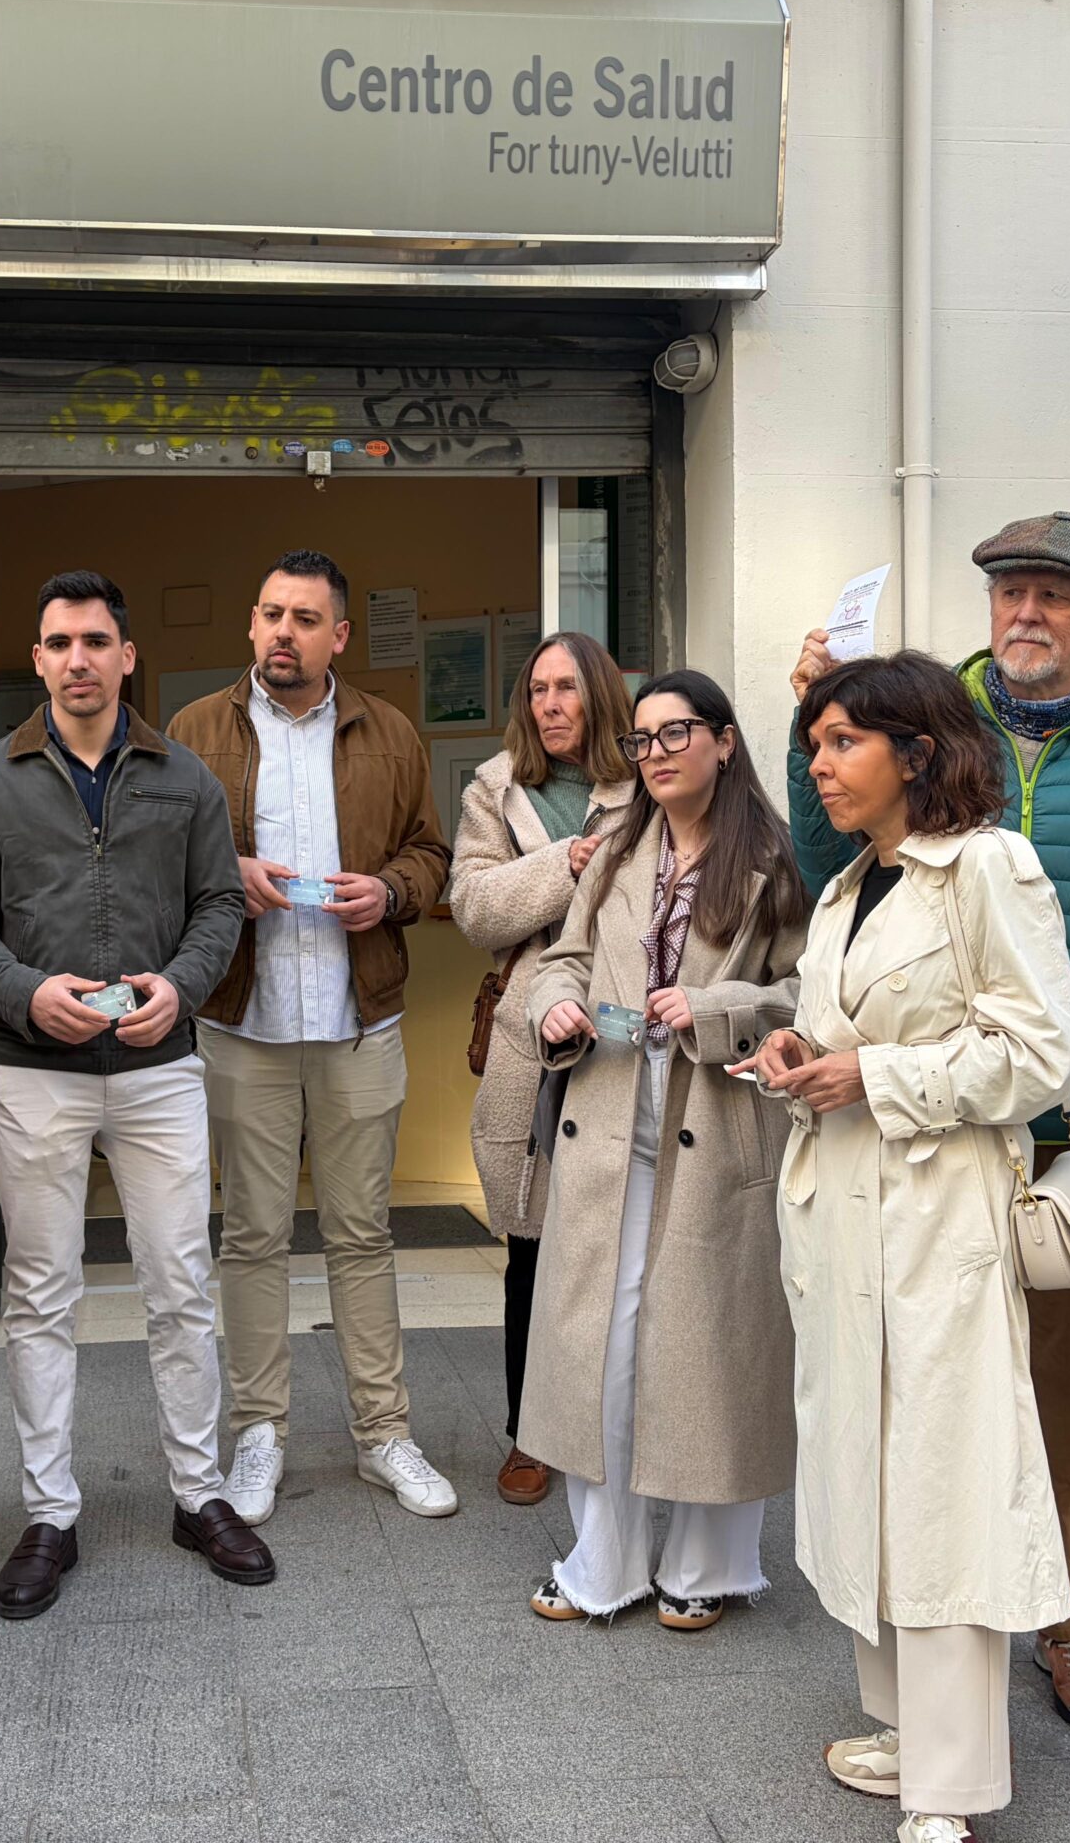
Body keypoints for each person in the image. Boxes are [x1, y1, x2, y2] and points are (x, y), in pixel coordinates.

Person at [786, 511, 1070, 1736]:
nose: (1026, 613)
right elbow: (829, 869)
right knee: (920, 1390)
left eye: (1054, 598)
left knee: (1063, 1380)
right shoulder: (926, 716)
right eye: (1009, 592)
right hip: (921, 1134)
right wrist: (816, 719)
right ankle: (924, 1635)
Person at [753, 650, 1070, 1843]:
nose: (819, 764)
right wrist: (799, 1060)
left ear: (917, 751)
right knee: (862, 1470)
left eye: (843, 741)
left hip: (940, 1221)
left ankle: (952, 1779)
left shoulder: (987, 867)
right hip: (840, 1220)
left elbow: (1044, 1055)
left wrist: (877, 1076)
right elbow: (839, 1032)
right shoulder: (849, 886)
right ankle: (901, 1725)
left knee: (943, 1483)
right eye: (814, 743)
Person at [0, 571, 271, 1617]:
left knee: (180, 1283)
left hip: (159, 1067)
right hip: (37, 1069)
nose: (76, 659)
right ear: (36, 660)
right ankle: (49, 1513)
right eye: (57, 642)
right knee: (41, 1295)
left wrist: (181, 986)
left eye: (94, 641)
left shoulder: (185, 777)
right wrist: (26, 993)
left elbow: (219, 903)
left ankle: (199, 1495)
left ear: (127, 656)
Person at [168, 550, 458, 1524]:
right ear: (251, 625)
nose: (281, 632)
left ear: (339, 635)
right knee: (251, 1236)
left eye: (303, 618)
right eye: (269, 614)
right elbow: (158, 859)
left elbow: (431, 853)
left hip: (356, 1017)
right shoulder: (193, 731)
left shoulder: (391, 732)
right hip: (242, 1019)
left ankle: (383, 1435)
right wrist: (225, 868)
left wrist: (392, 891)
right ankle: (259, 1433)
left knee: (361, 1234)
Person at [517, 670, 804, 1629]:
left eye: (676, 733)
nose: (656, 753)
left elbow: (814, 990)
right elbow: (563, 958)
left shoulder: (774, 858)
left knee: (710, 1353)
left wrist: (717, 1007)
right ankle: (603, 1563)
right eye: (641, 740)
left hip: (717, 1134)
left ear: (724, 740)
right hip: (607, 1124)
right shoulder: (613, 852)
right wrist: (554, 1004)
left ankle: (709, 1566)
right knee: (600, 1350)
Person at [449, 632, 636, 1507]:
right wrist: (563, 863)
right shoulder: (496, 788)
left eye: (566, 688)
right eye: (536, 690)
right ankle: (530, 1432)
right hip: (535, 1032)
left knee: (627, 1238)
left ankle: (619, 1421)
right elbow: (475, 907)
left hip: (631, 1026)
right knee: (534, 1241)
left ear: (600, 696)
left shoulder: (648, 779)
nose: (550, 704)